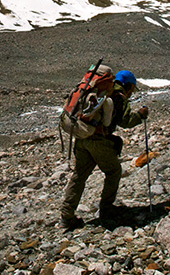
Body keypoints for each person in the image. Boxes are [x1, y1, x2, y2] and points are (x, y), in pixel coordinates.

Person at [60, 69, 149, 229]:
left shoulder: (100, 91)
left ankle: (67, 215)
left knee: (79, 175)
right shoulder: (118, 96)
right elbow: (126, 121)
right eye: (131, 89)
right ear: (128, 86)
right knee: (113, 171)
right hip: (98, 140)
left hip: (81, 137)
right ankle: (106, 209)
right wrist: (141, 115)